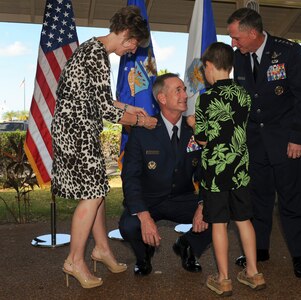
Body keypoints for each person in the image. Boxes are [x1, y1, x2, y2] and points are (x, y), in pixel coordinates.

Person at [51, 6, 158, 289]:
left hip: (76, 131)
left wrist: (129, 106)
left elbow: (101, 100)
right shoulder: (97, 56)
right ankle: (74, 259)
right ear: (125, 34)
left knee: (96, 191)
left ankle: (101, 249)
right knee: (92, 194)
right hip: (77, 134)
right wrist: (139, 121)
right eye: (134, 43)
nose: (133, 50)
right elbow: (103, 110)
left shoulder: (93, 50)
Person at [227, 8, 301, 278]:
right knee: (258, 200)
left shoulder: (289, 52)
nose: (233, 43)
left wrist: (298, 137)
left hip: (286, 142)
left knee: (292, 201)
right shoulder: (238, 58)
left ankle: (300, 257)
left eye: (236, 37)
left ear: (253, 33)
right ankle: (260, 250)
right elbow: (243, 99)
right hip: (254, 144)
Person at [187, 42, 265, 297]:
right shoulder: (243, 93)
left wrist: (194, 124)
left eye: (205, 69)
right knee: (244, 220)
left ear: (209, 66)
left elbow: (203, 139)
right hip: (240, 168)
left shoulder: (206, 98)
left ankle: (223, 279)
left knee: (219, 223)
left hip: (216, 172)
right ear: (230, 66)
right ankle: (253, 273)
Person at [118, 73, 211, 276]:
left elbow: (206, 171)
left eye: (184, 90)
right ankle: (144, 256)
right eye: (178, 90)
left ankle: (187, 245)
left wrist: (203, 204)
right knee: (129, 225)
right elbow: (130, 177)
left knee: (219, 212)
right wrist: (144, 216)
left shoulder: (194, 129)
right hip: (149, 199)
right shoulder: (143, 131)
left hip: (183, 198)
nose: (185, 95)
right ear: (162, 98)